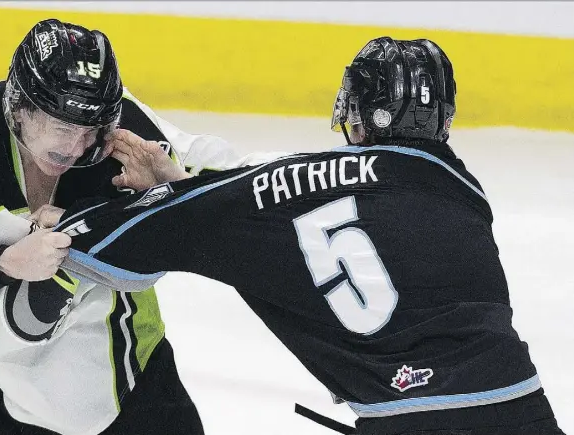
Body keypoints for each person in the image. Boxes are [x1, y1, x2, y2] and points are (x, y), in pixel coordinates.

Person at [58, 37, 566, 435]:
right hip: (525, 409)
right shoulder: (465, 194)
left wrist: (64, 230)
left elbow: (206, 218)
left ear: (360, 113)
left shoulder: (299, 185)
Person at [0, 18, 269, 435]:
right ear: (20, 106)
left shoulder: (125, 140)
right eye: (63, 127)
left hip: (126, 381)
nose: (76, 148)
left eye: (90, 130)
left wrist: (175, 184)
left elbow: (246, 189)